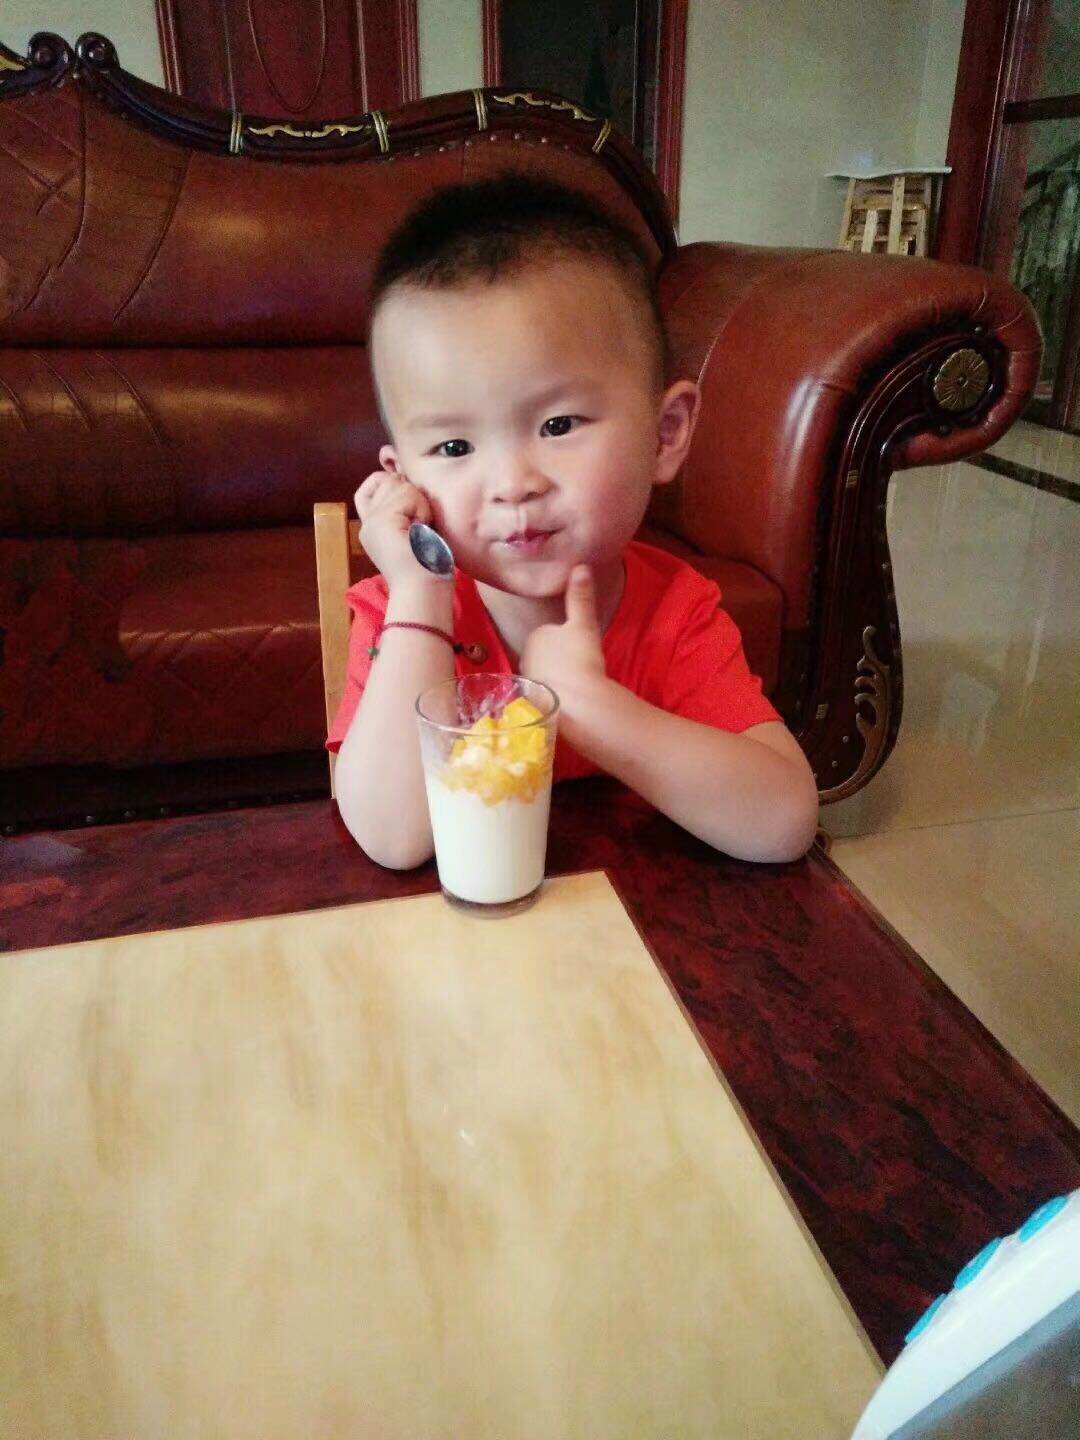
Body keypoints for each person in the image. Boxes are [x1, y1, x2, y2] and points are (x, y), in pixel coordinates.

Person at [327, 173, 819, 869]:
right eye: (454, 447)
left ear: (665, 433)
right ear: (403, 476)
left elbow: (784, 821)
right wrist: (419, 595)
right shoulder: (399, 611)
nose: (513, 485)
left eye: (558, 425)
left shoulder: (675, 614)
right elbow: (394, 839)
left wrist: (593, 707)